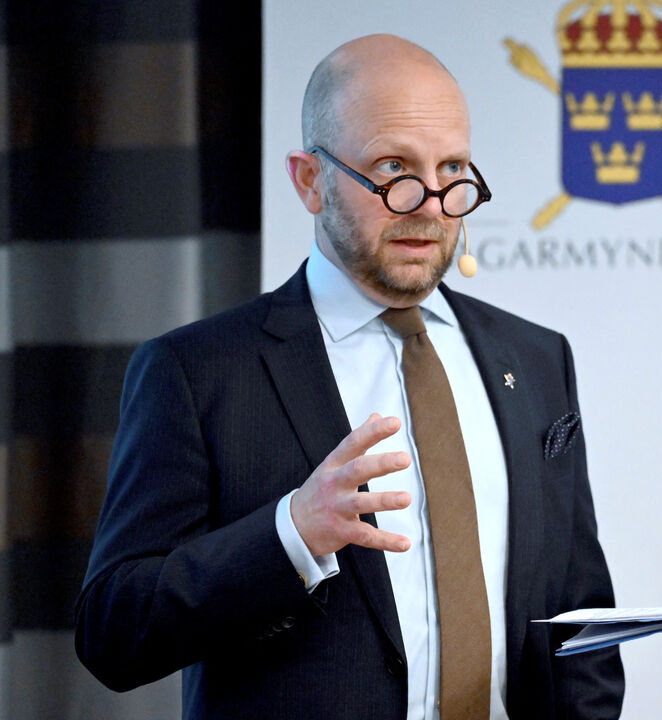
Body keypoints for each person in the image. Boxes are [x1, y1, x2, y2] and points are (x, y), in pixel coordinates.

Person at [74, 34, 623, 720]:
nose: (430, 202)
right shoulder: (198, 372)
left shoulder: (537, 360)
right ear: (310, 179)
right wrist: (290, 536)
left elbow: (580, 619)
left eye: (452, 168)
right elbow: (113, 632)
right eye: (394, 167)